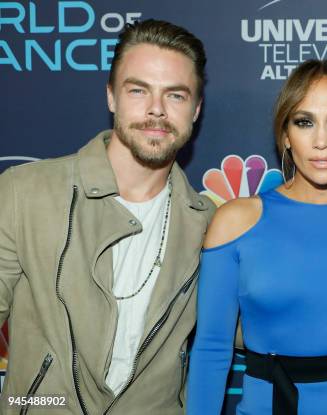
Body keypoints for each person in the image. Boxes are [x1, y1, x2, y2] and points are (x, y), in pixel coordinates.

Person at [0, 19, 215, 414]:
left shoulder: (210, 225)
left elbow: (260, 322)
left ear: (196, 110)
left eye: (176, 96)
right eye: (138, 90)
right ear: (111, 97)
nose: (156, 110)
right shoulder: (24, 193)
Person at [186, 59, 327, 414]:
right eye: (305, 122)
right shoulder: (236, 221)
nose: (321, 141)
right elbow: (212, 346)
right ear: (286, 136)